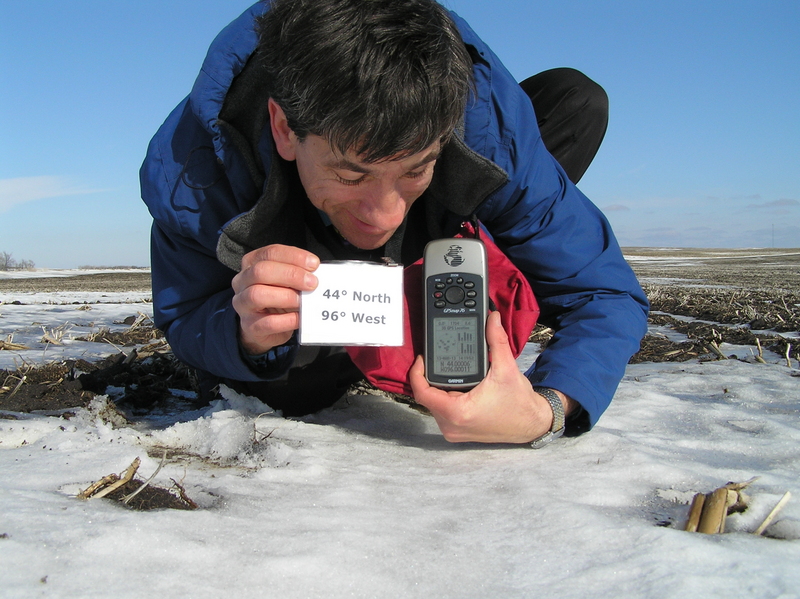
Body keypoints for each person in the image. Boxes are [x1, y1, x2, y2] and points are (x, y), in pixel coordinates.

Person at [140, 0, 648, 446]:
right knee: (292, 391)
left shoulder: (491, 128)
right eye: (350, 173)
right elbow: (185, 312)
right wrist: (246, 334)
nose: (383, 215)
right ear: (284, 128)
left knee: (572, 96)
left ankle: (463, 254)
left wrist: (546, 410)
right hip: (303, 279)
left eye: (415, 167)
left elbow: (603, 293)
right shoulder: (195, 169)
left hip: (452, 211)